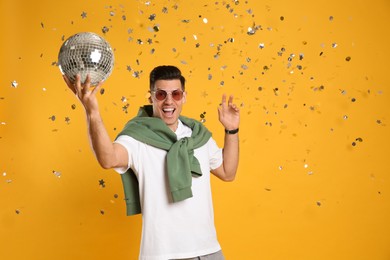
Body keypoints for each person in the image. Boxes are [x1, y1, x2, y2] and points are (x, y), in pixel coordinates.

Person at [63, 65, 240, 260]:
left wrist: (231, 130)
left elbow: (227, 172)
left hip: (209, 251)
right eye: (161, 94)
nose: (169, 101)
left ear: (184, 97)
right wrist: (92, 112)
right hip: (163, 254)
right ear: (151, 97)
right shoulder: (138, 137)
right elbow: (108, 158)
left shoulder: (197, 135)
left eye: (176, 94)